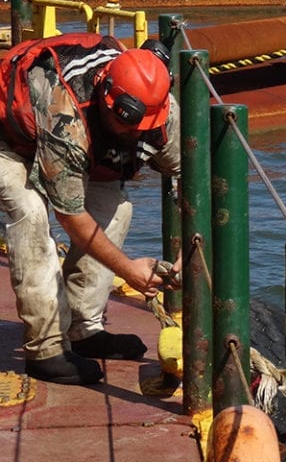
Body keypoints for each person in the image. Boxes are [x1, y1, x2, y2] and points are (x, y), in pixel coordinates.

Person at [0, 33, 181, 386]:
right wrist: (129, 270)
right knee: (31, 213)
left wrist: (185, 254)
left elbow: (190, 176)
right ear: (107, 99)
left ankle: (84, 328)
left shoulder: (162, 110)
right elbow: (70, 215)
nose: (135, 134)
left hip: (77, 144)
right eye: (127, 124)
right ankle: (46, 349)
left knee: (116, 207)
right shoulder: (62, 111)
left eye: (143, 128)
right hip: (8, 141)